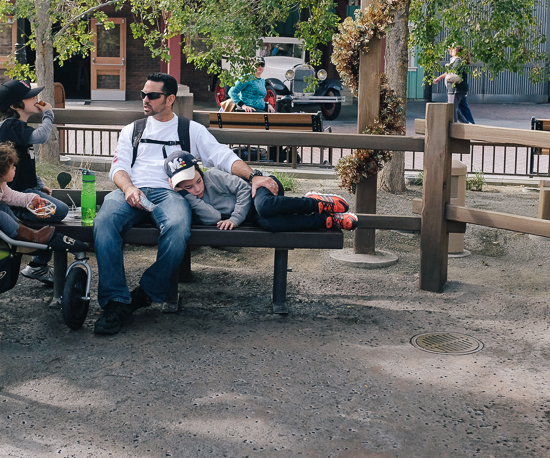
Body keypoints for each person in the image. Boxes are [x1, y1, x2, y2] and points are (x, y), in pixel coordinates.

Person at [92, 72, 280, 335]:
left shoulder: (189, 130)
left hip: (169, 194)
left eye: (152, 95)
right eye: (143, 94)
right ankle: (115, 302)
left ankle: (146, 292)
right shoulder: (132, 130)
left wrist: (254, 176)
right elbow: (118, 168)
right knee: (103, 222)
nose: (145, 99)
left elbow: (221, 156)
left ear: (169, 99)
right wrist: (129, 188)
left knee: (179, 226)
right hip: (130, 191)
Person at [164, 150, 358, 232]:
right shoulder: (188, 199)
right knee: (271, 225)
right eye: (188, 187)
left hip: (261, 187)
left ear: (200, 171)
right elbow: (213, 217)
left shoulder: (213, 177)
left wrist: (234, 219)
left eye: (198, 180)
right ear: (178, 188)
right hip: (250, 213)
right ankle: (328, 221)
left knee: (265, 207)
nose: (197, 188)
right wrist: (188, 197)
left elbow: (242, 189)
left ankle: (316, 202)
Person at [0, 79, 69, 284]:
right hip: (14, 194)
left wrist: (38, 183)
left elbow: (26, 164)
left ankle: (38, 264)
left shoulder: (19, 126)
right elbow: (41, 136)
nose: (36, 98)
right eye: (30, 97)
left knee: (55, 212)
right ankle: (15, 212)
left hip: (27, 189)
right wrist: (49, 114)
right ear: (14, 105)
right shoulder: (10, 125)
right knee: (60, 211)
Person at [433, 46, 475, 124]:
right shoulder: (457, 60)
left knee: (451, 110)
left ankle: (454, 127)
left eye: (452, 49)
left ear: (456, 51)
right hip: (457, 89)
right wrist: (439, 78)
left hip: (456, 89)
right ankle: (467, 124)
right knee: (456, 109)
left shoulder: (458, 60)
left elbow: (454, 71)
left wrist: (448, 67)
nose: (450, 51)